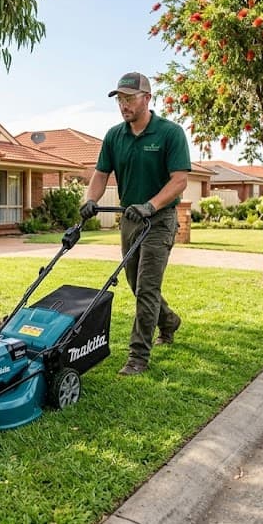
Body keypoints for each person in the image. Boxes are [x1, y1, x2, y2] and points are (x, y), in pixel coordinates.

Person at [79, 71, 191, 376]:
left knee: (147, 287)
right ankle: (168, 321)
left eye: (130, 99)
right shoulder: (115, 136)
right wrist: (90, 199)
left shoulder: (170, 133)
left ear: (147, 98)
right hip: (130, 219)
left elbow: (179, 180)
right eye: (120, 99)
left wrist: (150, 205)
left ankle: (138, 357)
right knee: (134, 283)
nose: (124, 105)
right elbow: (101, 175)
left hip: (160, 219)